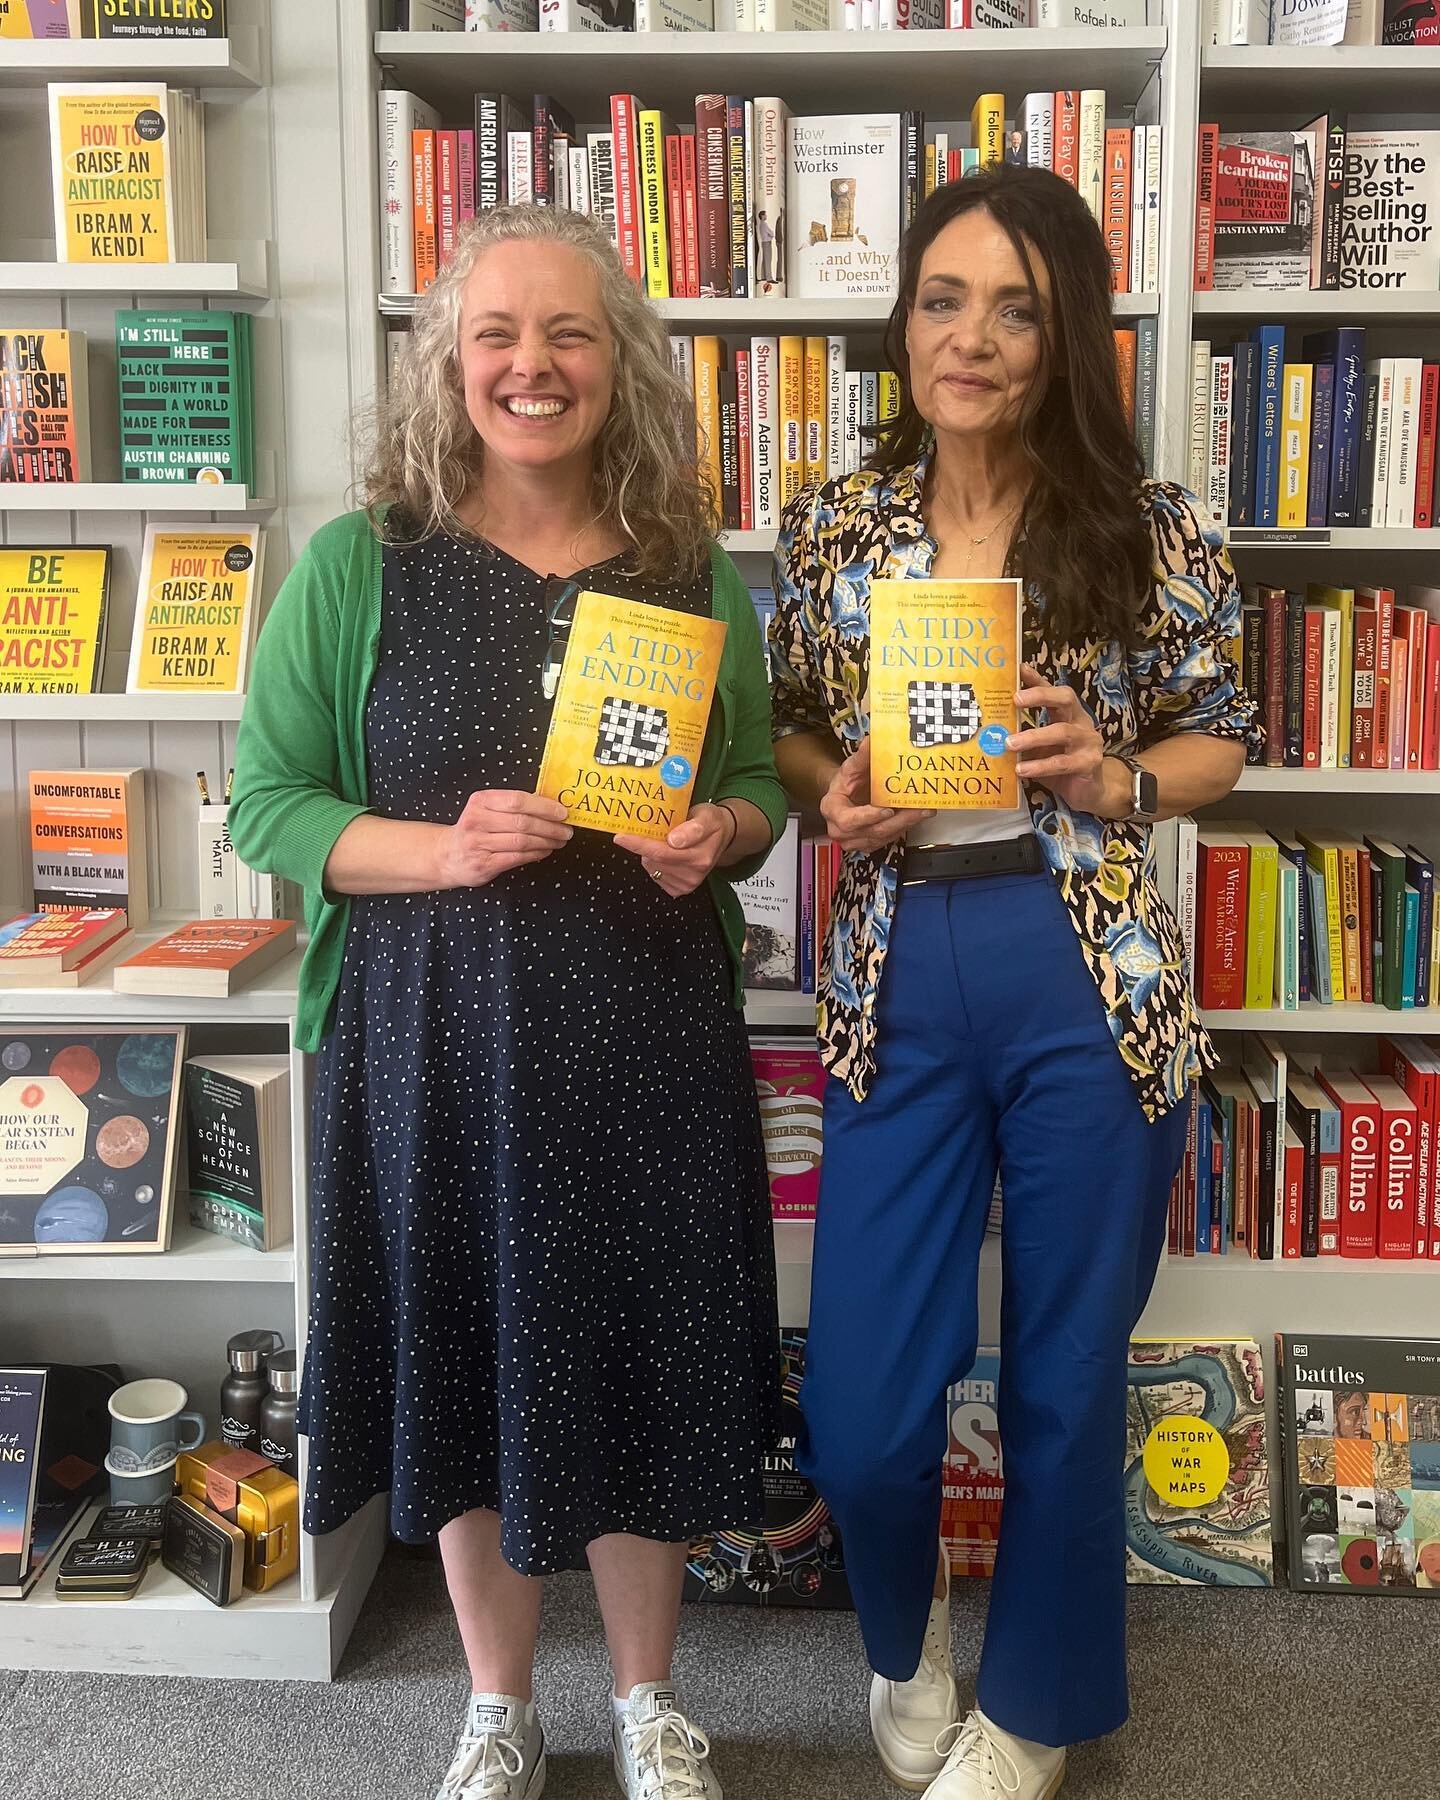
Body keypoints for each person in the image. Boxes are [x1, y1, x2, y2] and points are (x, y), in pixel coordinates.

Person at [229, 204, 786, 1800]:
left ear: (620, 364)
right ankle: (496, 1701)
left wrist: (722, 835)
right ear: (446, 362)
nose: (531, 368)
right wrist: (445, 846)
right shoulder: (360, 566)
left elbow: (753, 780)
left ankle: (646, 1696)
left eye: (569, 336)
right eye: (497, 336)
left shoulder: (686, 570)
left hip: (645, 1041)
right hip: (430, 1054)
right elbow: (268, 806)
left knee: (648, 1351)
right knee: (467, 1354)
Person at [768, 164, 1259, 1800]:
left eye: (1016, 307)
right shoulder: (836, 519)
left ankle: (1041, 1709)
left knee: (1063, 1378)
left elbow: (1226, 734)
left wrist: (1115, 775)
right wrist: (828, 785)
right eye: (942, 298)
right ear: (903, 319)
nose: (970, 337)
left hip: (1087, 976)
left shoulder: (1148, 521)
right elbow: (787, 718)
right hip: (897, 963)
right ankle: (905, 1649)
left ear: (1066, 337)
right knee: (863, 1407)